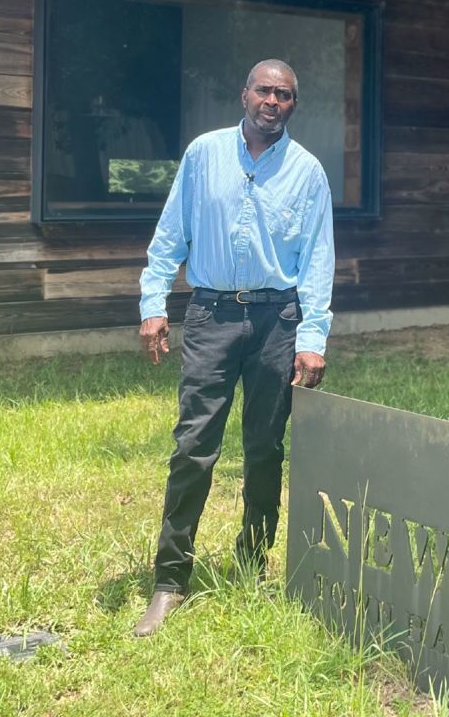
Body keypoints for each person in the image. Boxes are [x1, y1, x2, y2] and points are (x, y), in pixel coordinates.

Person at [132, 59, 334, 638]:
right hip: (212, 315)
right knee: (194, 445)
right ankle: (170, 581)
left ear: (294, 106)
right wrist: (153, 305)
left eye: (285, 94)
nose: (273, 100)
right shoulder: (203, 155)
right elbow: (170, 236)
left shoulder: (307, 172)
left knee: (265, 448)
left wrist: (313, 338)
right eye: (264, 90)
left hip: (278, 321)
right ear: (244, 94)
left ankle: (251, 564)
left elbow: (318, 261)